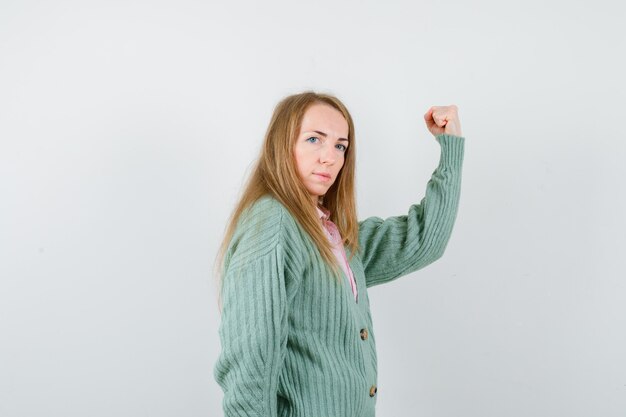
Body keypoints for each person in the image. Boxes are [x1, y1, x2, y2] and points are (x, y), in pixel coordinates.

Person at [212, 91, 465, 417]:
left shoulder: (333, 235)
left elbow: (424, 240)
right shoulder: (272, 222)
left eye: (340, 146)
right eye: (314, 139)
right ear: (281, 144)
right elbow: (249, 359)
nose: (329, 157)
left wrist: (451, 148)